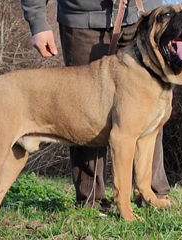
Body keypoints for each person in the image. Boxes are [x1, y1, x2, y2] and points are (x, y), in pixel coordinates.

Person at [20, 0, 170, 209]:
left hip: (143, 15)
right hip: (82, 19)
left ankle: (152, 194)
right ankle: (92, 200)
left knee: (150, 108)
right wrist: (37, 21)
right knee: (81, 108)